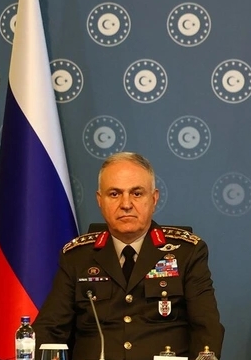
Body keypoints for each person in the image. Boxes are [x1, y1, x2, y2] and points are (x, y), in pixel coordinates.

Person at [34, 152, 224, 359]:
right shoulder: (77, 257)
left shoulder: (186, 253)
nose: (126, 204)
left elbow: (206, 328)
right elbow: (49, 329)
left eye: (137, 193)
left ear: (154, 198)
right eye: (114, 194)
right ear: (100, 200)